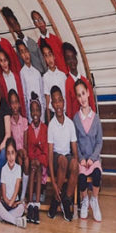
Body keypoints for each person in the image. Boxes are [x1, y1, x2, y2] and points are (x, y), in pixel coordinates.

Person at [46, 86, 79, 222]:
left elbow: (74, 151)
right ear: (52, 105)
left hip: (66, 156)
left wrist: (75, 167)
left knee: (74, 163)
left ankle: (65, 200)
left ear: (63, 102)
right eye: (55, 101)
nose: (58, 104)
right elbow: (49, 154)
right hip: (56, 158)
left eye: (60, 100)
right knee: (63, 161)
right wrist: (53, 182)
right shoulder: (51, 125)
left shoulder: (70, 124)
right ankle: (55, 197)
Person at [73, 79, 103, 221]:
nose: (82, 98)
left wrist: (92, 158)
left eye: (83, 93)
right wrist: (81, 158)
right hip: (82, 160)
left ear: (88, 93)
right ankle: (84, 200)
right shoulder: (75, 119)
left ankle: (94, 200)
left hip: (94, 159)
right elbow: (76, 142)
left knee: (97, 175)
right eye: (79, 95)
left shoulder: (96, 118)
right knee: (82, 179)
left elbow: (99, 142)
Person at [24, 96, 49, 224]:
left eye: (37, 110)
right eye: (32, 110)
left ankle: (36, 205)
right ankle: (30, 206)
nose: (35, 113)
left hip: (42, 163)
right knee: (33, 168)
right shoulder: (29, 129)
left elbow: (45, 150)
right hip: (33, 161)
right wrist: (33, 159)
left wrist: (38, 160)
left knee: (37, 168)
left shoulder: (44, 129)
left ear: (40, 112)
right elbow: (29, 148)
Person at [0, 137, 27, 228]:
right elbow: (4, 193)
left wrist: (12, 202)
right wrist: (8, 203)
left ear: (16, 154)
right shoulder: (4, 169)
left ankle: (2, 217)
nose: (11, 157)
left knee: (21, 207)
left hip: (14, 201)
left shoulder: (18, 168)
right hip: (6, 202)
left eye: (12, 153)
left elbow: (17, 188)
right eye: (8, 153)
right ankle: (16, 221)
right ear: (5, 155)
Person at [7, 89, 30, 204]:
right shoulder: (9, 122)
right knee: (19, 161)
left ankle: (22, 195)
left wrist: (22, 152)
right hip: (13, 153)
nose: (14, 105)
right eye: (12, 103)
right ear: (10, 106)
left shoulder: (24, 121)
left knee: (25, 161)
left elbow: (25, 144)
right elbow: (10, 142)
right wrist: (17, 153)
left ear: (20, 104)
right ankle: (16, 193)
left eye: (16, 102)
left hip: (23, 152)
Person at [40, 42, 72, 122]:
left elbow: (66, 97)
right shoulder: (45, 77)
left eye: (50, 55)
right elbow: (47, 102)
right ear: (44, 59)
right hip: (52, 113)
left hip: (64, 112)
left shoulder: (62, 75)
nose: (49, 59)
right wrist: (48, 120)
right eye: (46, 56)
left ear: (54, 56)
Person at [62, 42, 94, 119]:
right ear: (66, 61)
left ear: (76, 59)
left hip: (88, 121)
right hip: (76, 123)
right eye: (68, 58)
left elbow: (92, 103)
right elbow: (69, 108)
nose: (71, 61)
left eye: (73, 57)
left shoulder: (85, 81)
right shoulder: (67, 82)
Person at [17, 41, 43, 121]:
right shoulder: (22, 73)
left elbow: (41, 94)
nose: (25, 55)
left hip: (40, 111)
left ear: (29, 52)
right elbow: (24, 96)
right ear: (20, 56)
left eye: (26, 51)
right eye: (22, 52)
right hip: (30, 112)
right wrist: (27, 115)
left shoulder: (37, 72)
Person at [0, 46, 24, 117]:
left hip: (20, 111)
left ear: (8, 60)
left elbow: (21, 96)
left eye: (5, 60)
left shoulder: (16, 77)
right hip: (9, 114)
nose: (4, 64)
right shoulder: (0, 81)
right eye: (1, 61)